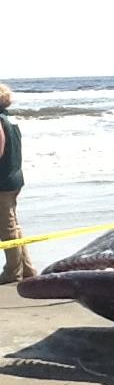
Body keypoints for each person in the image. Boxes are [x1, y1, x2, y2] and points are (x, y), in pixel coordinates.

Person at [0, 83, 37, 285]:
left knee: (7, 229)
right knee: (13, 225)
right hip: (14, 176)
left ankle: (12, 272)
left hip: (2, 180)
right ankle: (28, 268)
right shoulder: (10, 119)